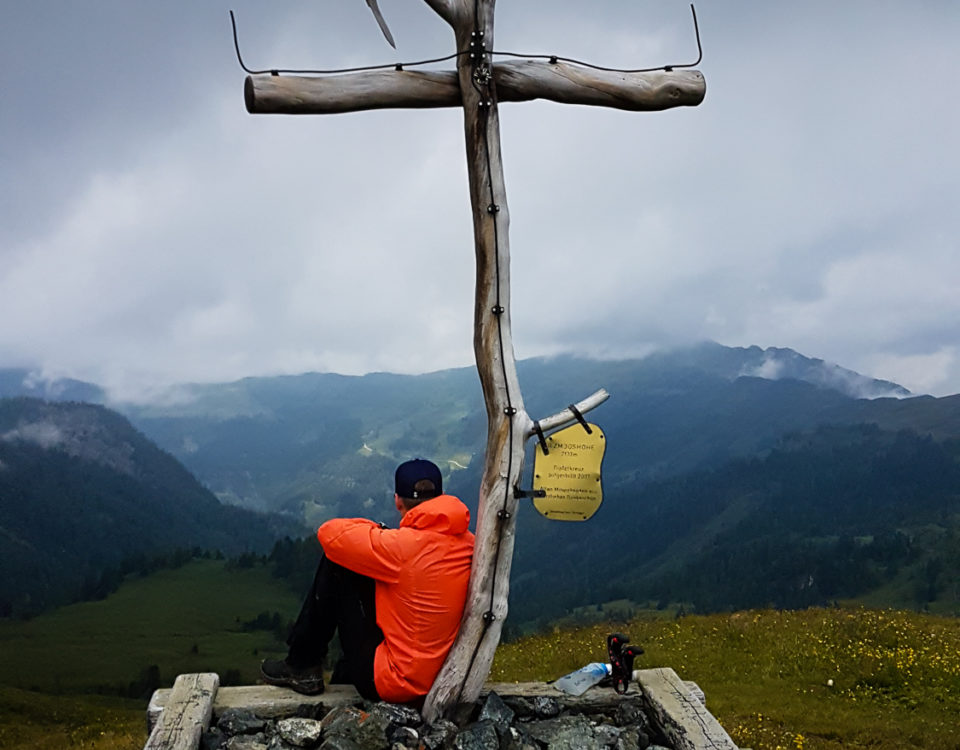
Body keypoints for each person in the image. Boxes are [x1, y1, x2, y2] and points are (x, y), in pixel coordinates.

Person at [260, 458, 475, 704]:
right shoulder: (468, 542)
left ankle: (302, 663)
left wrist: (377, 531)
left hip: (398, 684)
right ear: (441, 497)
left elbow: (329, 533)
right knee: (367, 572)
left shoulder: (398, 548)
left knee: (338, 562)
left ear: (397, 500)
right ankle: (339, 672)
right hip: (445, 673)